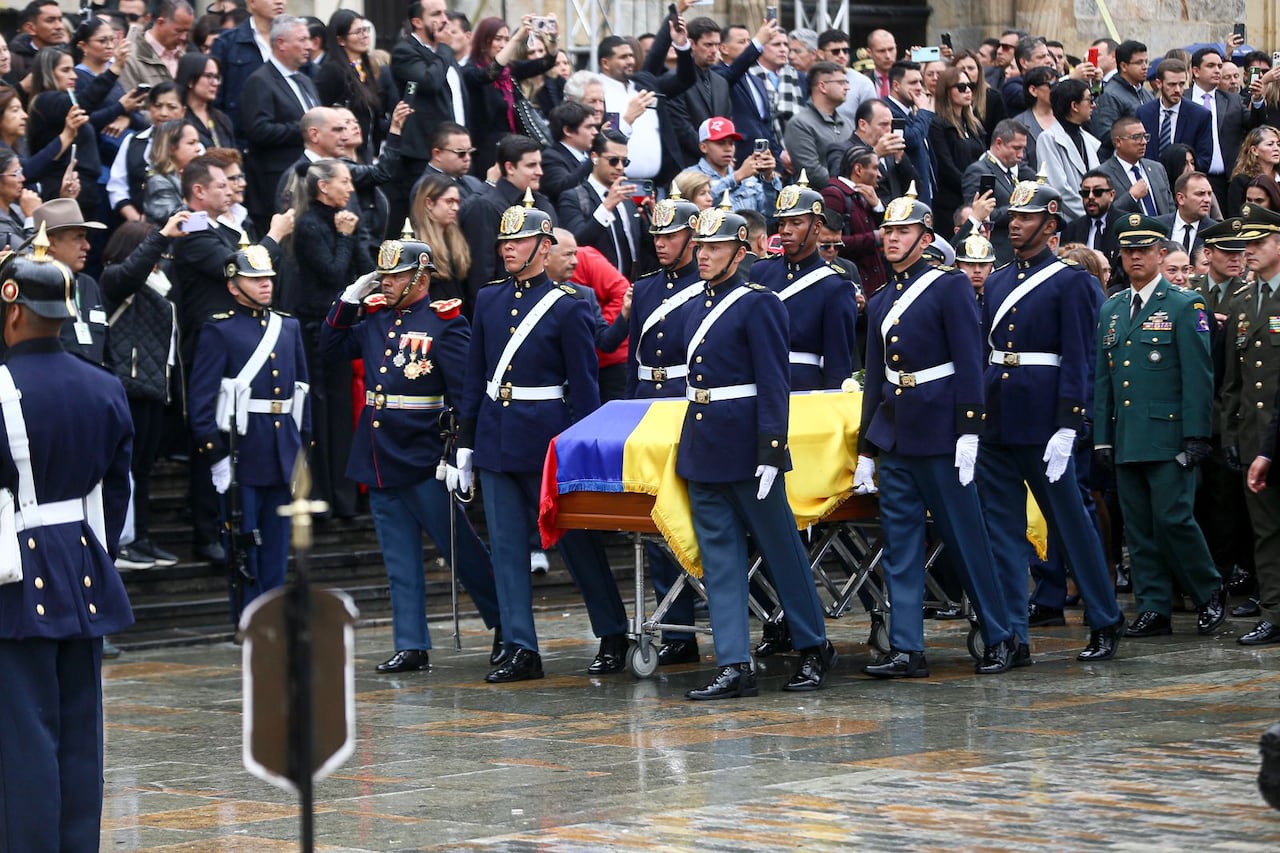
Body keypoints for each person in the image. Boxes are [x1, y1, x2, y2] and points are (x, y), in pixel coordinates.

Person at [456, 194, 628, 682]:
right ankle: (519, 645)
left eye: (520, 240)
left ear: (544, 245)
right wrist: (465, 442)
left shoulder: (570, 304)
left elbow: (585, 385)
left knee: (575, 541)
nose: (508, 249)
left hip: (549, 438)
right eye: (505, 241)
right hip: (496, 435)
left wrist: (581, 446)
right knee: (507, 546)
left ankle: (612, 630)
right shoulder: (488, 298)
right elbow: (476, 377)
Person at [0, 228, 133, 853]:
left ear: (15, 310)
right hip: (83, 562)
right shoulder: (103, 385)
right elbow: (116, 491)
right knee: (81, 727)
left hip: (14, 574)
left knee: (23, 733)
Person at [320, 231, 503, 671]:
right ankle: (411, 643)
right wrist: (349, 298)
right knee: (398, 558)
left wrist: (462, 451)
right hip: (379, 454)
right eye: (383, 275)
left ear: (421, 278)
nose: (386, 282)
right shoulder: (376, 319)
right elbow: (329, 348)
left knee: (463, 552)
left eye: (396, 274)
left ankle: (507, 625)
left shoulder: (445, 323)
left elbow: (464, 395)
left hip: (425, 455)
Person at [676, 201, 837, 700]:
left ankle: (813, 646)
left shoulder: (759, 302)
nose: (703, 255)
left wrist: (771, 449)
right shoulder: (693, 302)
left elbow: (774, 383)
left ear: (739, 251)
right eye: (700, 246)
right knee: (720, 560)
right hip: (704, 445)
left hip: (749, 447)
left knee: (783, 551)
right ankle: (732, 662)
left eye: (715, 247)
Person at [855, 184, 1013, 678]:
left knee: (967, 538)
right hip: (897, 434)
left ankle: (999, 634)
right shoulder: (882, 298)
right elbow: (875, 376)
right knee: (900, 546)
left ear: (926, 239)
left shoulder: (948, 286)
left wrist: (970, 428)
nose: (893, 239)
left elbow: (970, 359)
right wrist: (866, 446)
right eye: (888, 231)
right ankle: (907, 647)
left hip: (943, 431)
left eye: (904, 232)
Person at [977, 179, 1125, 665]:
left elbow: (1081, 360)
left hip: (1046, 422)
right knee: (1000, 531)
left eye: (1025, 217)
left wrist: (1070, 425)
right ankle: (1010, 636)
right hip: (999, 418)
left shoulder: (1073, 282)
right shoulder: (996, 280)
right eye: (1011, 219)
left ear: (1051, 223)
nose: (1014, 225)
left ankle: (1104, 618)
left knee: (1070, 524)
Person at [1093, 213, 1227, 638]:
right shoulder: (1112, 309)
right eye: (1128, 250)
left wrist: (1196, 434)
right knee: (1138, 526)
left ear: (1160, 253)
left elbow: (1198, 376)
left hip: (1169, 433)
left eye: (1144, 249)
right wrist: (1102, 438)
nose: (1135, 257)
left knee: (1173, 519)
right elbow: (1105, 380)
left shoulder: (1185, 305)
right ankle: (1154, 606)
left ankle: (1209, 590)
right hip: (1128, 433)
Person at [188, 243, 309, 618]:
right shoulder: (219, 329)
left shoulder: (287, 326)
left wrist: (302, 449)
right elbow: (201, 400)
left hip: (281, 449)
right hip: (242, 450)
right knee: (244, 542)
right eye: (255, 279)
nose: (265, 285)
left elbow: (301, 391)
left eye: (268, 278)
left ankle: (272, 614)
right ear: (233, 286)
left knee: (277, 543)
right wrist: (215, 456)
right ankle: (248, 617)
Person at [624, 187, 703, 663]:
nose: (661, 242)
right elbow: (634, 350)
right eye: (656, 234)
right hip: (648, 400)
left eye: (671, 234)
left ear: (692, 237)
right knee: (654, 521)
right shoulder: (648, 285)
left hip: (686, 399)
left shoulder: (705, 284)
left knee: (693, 519)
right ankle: (676, 632)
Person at [100, 215, 188, 571]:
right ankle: (122, 540)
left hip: (154, 388)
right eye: (152, 248)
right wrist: (163, 235)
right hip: (125, 387)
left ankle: (141, 536)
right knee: (127, 467)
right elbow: (130, 272)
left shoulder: (159, 284)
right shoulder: (113, 279)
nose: (160, 258)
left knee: (145, 467)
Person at [285, 159, 363, 523]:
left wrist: (353, 236)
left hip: (342, 325)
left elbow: (363, 270)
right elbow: (333, 273)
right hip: (316, 328)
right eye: (344, 182)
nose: (350, 189)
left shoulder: (343, 219)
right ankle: (322, 495)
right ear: (323, 187)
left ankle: (344, 498)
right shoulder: (309, 224)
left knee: (342, 413)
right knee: (322, 412)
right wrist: (345, 237)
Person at [750, 173, 857, 391]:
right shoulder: (760, 272)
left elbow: (837, 364)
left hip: (803, 391)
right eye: (781, 223)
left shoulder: (836, 286)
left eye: (795, 223)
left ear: (817, 227)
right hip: (756, 383)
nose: (785, 231)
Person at [1228, 206, 1280, 644]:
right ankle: (1275, 610)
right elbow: (1234, 377)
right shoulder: (1244, 300)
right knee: (1264, 530)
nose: (1249, 251)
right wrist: (1230, 432)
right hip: (1252, 431)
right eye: (1246, 244)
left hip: (1277, 431)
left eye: (1259, 242)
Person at [240, 15, 320, 231]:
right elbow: (258, 130)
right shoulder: (260, 81)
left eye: (309, 39)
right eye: (302, 40)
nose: (309, 46)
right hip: (277, 183)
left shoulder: (304, 80)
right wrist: (305, 130)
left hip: (310, 179)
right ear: (281, 43)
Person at [459, 134, 557, 308]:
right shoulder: (486, 207)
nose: (540, 172)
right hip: (503, 310)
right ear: (510, 167)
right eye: (531, 165)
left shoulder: (544, 204)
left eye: (539, 164)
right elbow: (481, 275)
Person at [462, 16, 557, 179]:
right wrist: (517, 38)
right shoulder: (470, 72)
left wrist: (554, 38)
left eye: (506, 39)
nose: (503, 44)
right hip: (487, 155)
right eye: (498, 39)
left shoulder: (508, 72)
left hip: (512, 150)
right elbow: (490, 73)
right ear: (484, 41)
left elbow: (545, 63)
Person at [556, 129, 644, 279]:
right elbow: (577, 243)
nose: (620, 167)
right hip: (595, 289)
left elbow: (645, 248)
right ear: (594, 157)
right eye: (613, 160)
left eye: (625, 162)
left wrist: (651, 216)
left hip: (631, 288)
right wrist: (606, 207)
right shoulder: (573, 197)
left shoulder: (628, 199)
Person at [26, 47, 98, 201]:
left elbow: (92, 117)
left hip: (82, 186)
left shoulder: (60, 102)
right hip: (61, 187)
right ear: (48, 73)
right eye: (65, 70)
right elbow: (86, 101)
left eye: (73, 69)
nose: (74, 76)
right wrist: (115, 69)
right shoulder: (46, 100)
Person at [106, 83, 184, 224]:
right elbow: (117, 186)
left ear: (183, 111)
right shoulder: (133, 141)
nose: (163, 113)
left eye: (171, 107)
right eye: (158, 106)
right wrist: (136, 219)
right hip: (138, 225)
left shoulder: (194, 146)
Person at [959, 118, 1035, 263]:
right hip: (995, 254)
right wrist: (1019, 210)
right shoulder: (978, 172)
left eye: (1023, 149)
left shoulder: (1017, 172)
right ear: (998, 143)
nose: (1021, 155)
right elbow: (978, 215)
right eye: (1016, 148)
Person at [314, 9, 385, 164]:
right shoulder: (332, 71)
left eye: (365, 30)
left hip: (366, 149)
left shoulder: (364, 68)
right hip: (343, 154)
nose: (365, 35)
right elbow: (321, 110)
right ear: (341, 40)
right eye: (358, 32)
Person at [210, 0, 280, 146]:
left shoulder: (293, 41)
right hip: (242, 141)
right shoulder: (227, 43)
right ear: (252, 2)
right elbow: (216, 99)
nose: (280, 2)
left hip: (287, 138)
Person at [682, 117, 780, 219]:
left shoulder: (747, 179)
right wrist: (737, 176)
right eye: (721, 143)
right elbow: (691, 210)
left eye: (731, 143)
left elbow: (770, 216)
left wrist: (768, 178)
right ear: (704, 147)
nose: (728, 148)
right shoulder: (689, 175)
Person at [821, 146, 888, 295]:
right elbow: (828, 242)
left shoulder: (867, 195)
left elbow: (886, 229)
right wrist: (875, 238)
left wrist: (878, 206)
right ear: (858, 169)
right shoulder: (833, 195)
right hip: (851, 282)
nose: (879, 175)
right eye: (875, 168)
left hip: (874, 282)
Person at [929, 66, 987, 236]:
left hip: (975, 198)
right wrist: (971, 187)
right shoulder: (938, 125)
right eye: (961, 87)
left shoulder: (974, 124)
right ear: (947, 91)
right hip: (951, 202)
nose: (968, 91)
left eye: (970, 86)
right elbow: (945, 166)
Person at [1037, 79, 1101, 221]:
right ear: (1074, 106)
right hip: (1069, 221)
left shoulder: (1087, 138)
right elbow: (1058, 188)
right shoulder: (1048, 139)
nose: (1094, 105)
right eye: (1089, 100)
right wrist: (1090, 213)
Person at [782, 60, 852, 187]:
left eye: (846, 82)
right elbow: (811, 171)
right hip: (816, 202)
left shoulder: (846, 123)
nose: (847, 87)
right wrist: (849, 184)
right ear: (822, 86)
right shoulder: (800, 124)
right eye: (841, 82)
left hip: (849, 200)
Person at [1136, 59, 1213, 173]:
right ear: (1159, 83)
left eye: (1181, 84)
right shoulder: (1144, 113)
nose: (1177, 90)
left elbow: (1204, 159)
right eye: (1172, 84)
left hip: (1185, 181)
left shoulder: (1200, 115)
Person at [410, 173, 470, 305]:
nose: (456, 208)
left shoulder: (457, 240)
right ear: (429, 203)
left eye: (457, 202)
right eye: (449, 201)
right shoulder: (415, 247)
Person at [1100, 115, 1176, 217]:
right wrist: (1131, 197)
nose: (1144, 142)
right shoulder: (1103, 174)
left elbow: (1170, 210)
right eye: (1136, 137)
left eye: (1145, 136)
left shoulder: (1157, 169)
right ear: (1118, 141)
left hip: (1163, 231)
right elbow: (1103, 215)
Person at [1090, 39, 1152, 157]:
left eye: (1146, 62)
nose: (1145, 67)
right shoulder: (1110, 95)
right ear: (1124, 66)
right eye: (1139, 63)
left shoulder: (1146, 94)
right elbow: (1104, 134)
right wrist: (1133, 136)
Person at [142, 119, 203, 225]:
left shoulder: (189, 175)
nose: (198, 149)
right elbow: (180, 222)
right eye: (191, 143)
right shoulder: (158, 181)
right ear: (171, 148)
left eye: (198, 142)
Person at [541, 100, 599, 204]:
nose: (595, 132)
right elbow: (562, 187)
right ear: (568, 130)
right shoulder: (551, 157)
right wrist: (593, 160)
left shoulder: (591, 154)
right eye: (589, 127)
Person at [176, 52, 234, 151]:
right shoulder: (178, 117)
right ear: (190, 80)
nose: (215, 83)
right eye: (208, 76)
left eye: (217, 77)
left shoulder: (222, 119)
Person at [1157, 171, 1219, 253]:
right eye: (1200, 194)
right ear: (1181, 198)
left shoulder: (1216, 232)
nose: (1207, 200)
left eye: (1209, 194)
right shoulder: (1158, 226)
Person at [1228, 126, 1280, 217]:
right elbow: (1235, 217)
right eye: (1270, 144)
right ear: (1254, 150)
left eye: (1278, 144)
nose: (1276, 148)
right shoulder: (1241, 181)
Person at [0, 149, 40, 250]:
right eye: (16, 173)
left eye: (21, 172)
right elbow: (32, 261)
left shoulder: (17, 209)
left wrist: (66, 199)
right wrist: (31, 218)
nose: (22, 178)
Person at [955, 232, 995, 297]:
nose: (977, 270)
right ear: (957, 266)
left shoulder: (998, 298)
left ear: (990, 268)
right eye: (970, 264)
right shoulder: (946, 299)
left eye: (983, 264)